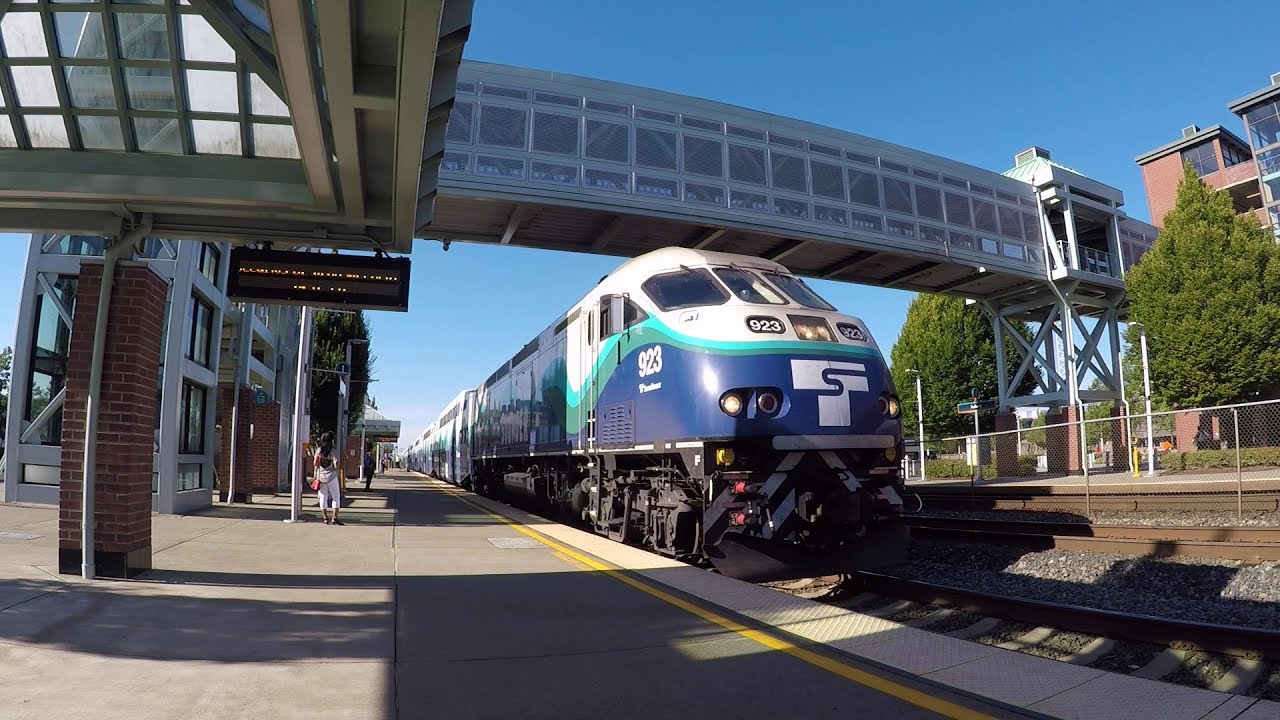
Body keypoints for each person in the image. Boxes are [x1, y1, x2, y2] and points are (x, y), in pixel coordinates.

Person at [313, 432, 343, 525]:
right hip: (332, 477)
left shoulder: (318, 451)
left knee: (323, 496)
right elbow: (336, 465)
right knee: (336, 496)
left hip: (321, 477)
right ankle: (334, 517)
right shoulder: (333, 451)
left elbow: (315, 464)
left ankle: (325, 518)